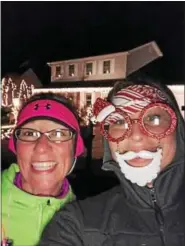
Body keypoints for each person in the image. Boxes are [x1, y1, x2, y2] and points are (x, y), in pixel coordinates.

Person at [40, 79, 185, 246]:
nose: (136, 136)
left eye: (154, 118)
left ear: (177, 130)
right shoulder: (75, 224)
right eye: (119, 122)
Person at [1, 92, 84, 246]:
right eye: (29, 133)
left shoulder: (89, 221)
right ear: (16, 146)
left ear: (76, 149)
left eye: (58, 133)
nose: (41, 148)